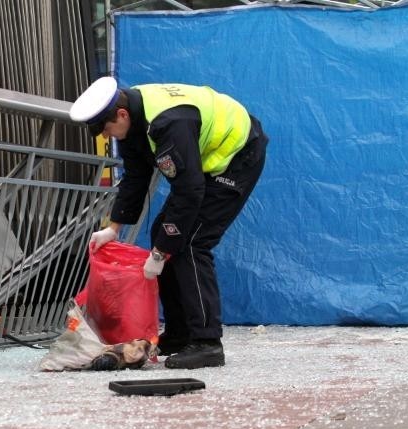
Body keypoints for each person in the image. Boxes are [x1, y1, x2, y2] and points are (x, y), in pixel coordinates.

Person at [69, 77, 268, 369]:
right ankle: (179, 333)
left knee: (190, 244)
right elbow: (136, 178)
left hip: (239, 154)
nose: (105, 136)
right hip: (205, 164)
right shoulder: (132, 122)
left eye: (106, 129)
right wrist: (113, 228)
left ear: (121, 115)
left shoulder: (167, 124)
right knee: (163, 232)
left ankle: (207, 343)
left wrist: (161, 252)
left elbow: (189, 192)